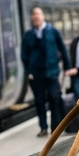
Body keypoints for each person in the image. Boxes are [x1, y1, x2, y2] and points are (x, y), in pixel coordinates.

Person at [21, 7, 69, 137]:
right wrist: (29, 70)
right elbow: (24, 55)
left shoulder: (53, 31)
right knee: (39, 101)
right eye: (33, 14)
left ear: (43, 16)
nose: (35, 17)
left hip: (52, 72)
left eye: (38, 14)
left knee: (55, 98)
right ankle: (43, 127)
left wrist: (67, 67)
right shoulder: (28, 35)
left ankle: (55, 128)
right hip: (36, 75)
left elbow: (63, 49)